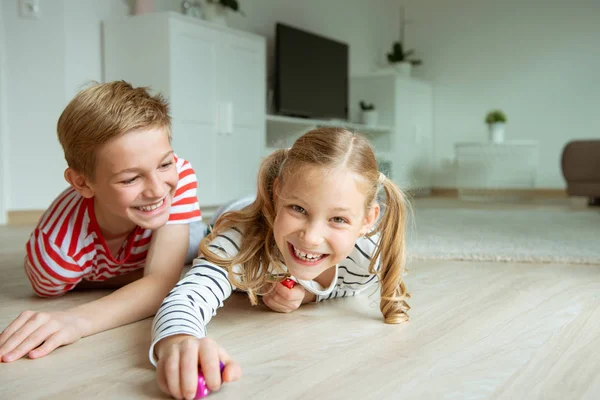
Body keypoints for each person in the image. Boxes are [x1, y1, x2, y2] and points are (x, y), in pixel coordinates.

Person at [149, 127, 411, 400]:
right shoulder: (240, 241)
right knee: (188, 246)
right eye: (298, 209)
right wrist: (178, 342)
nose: (310, 238)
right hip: (234, 215)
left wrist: (308, 293)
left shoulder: (368, 257)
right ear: (277, 194)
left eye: (338, 219)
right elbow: (189, 295)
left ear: (367, 221)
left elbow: (347, 285)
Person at [0, 81, 207, 363]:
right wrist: (153, 277)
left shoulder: (178, 177)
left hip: (180, 232)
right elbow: (161, 280)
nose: (158, 189)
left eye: (164, 163)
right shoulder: (56, 257)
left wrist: (78, 320)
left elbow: (161, 283)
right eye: (131, 179)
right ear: (82, 183)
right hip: (142, 252)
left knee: (208, 242)